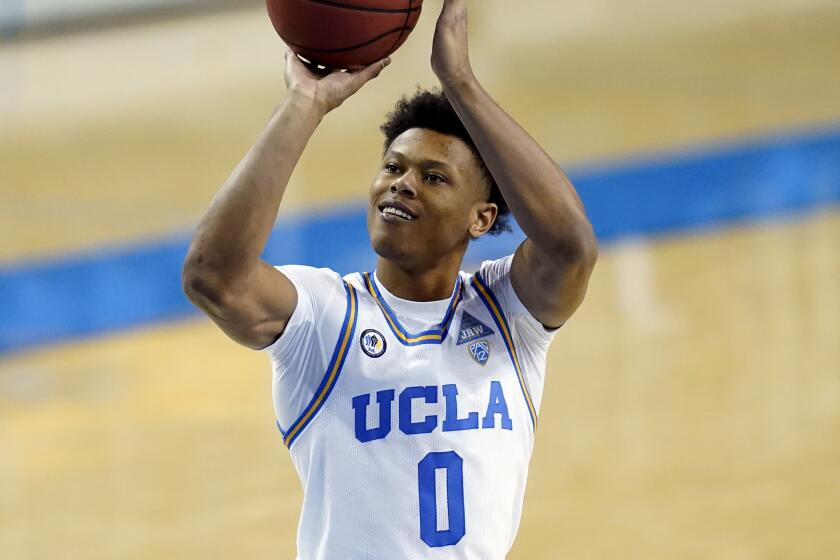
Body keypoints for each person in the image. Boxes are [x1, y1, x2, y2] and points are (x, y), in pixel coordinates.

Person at [183, 0, 597, 557]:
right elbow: (214, 277)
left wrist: (461, 83)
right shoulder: (326, 315)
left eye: (433, 177)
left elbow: (571, 246)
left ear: (482, 218)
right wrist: (305, 103)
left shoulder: (508, 317)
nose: (402, 184)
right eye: (392, 167)